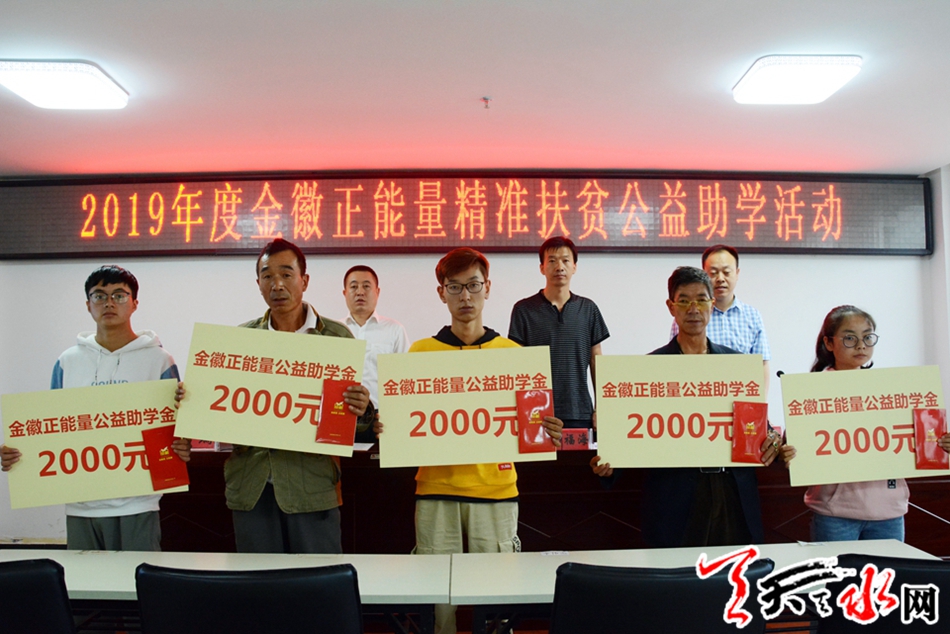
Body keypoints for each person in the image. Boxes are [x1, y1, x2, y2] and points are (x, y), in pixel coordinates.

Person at [376, 247, 563, 634]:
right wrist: (386, 426)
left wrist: (549, 431)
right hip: (436, 490)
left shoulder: (514, 356)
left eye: (473, 285)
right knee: (436, 600)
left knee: (497, 598)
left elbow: (533, 430)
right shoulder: (419, 353)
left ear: (487, 288)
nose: (465, 296)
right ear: (441, 293)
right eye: (455, 287)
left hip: (496, 490)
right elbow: (400, 425)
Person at [591, 266, 789, 548]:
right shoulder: (649, 369)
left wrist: (771, 439)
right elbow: (630, 433)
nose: (693, 309)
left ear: (712, 303)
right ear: (671, 307)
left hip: (730, 490)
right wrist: (611, 465)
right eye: (684, 301)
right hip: (675, 495)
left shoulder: (737, 364)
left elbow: (758, 426)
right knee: (679, 573)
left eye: (701, 300)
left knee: (732, 571)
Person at [1, 265, 190, 551]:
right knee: (84, 578)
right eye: (99, 296)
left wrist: (182, 443)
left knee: (136, 577)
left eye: (119, 295)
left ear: (134, 303)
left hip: (138, 503)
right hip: (80, 503)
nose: (109, 303)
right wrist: (19, 453)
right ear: (88, 305)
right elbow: (50, 428)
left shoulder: (160, 360)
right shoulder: (68, 361)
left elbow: (175, 427)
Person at [225, 238, 374, 554]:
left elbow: (349, 425)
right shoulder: (240, 341)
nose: (277, 285)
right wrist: (194, 398)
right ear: (258, 284)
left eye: (286, 274)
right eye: (267, 276)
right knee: (259, 580)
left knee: (317, 579)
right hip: (252, 487)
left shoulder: (336, 338)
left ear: (304, 281)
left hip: (312, 487)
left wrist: (362, 409)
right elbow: (220, 414)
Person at [801, 305, 908, 542]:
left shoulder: (889, 388)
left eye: (867, 337)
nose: (861, 345)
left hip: (889, 510)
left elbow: (911, 437)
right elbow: (800, 446)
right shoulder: (813, 390)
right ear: (829, 343)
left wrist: (936, 441)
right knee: (840, 569)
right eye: (850, 338)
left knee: (888, 569)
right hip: (835, 514)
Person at [508, 236, 609, 429]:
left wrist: (601, 407)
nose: (559, 267)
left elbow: (596, 360)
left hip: (580, 411)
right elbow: (516, 363)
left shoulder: (588, 309)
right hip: (537, 414)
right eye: (552, 261)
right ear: (542, 268)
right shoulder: (524, 310)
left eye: (565, 260)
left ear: (574, 267)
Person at [670, 244, 771, 391]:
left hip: (739, 392)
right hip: (698, 391)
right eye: (713, 273)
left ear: (737, 273)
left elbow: (761, 365)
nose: (720, 279)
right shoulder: (688, 317)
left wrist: (761, 402)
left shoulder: (752, 316)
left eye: (726, 272)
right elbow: (673, 361)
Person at [341, 265, 410, 442]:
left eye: (366, 286)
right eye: (354, 287)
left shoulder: (394, 330)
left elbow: (404, 379)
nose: (360, 292)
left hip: (381, 421)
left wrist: (397, 418)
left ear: (377, 292)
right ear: (345, 293)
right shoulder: (335, 331)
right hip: (340, 415)